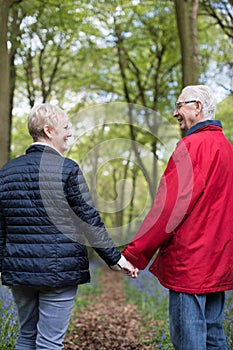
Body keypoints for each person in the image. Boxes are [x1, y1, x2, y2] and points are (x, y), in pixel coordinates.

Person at [0, 103, 138, 350]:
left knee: (25, 336)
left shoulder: (7, 172)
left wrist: (3, 266)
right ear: (49, 131)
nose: (70, 133)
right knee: (49, 342)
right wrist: (117, 260)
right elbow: (89, 220)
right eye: (66, 127)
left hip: (20, 271)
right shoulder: (67, 169)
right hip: (59, 272)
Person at [123, 85, 233, 350]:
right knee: (213, 336)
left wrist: (135, 254)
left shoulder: (193, 147)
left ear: (197, 107)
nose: (175, 112)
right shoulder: (227, 148)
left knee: (189, 340)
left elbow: (169, 208)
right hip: (219, 260)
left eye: (180, 105)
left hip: (191, 264)